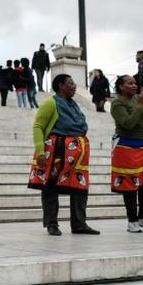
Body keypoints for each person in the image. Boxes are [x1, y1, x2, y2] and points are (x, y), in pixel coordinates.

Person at [28, 74, 99, 236]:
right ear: (61, 85)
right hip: (57, 150)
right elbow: (38, 126)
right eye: (71, 83)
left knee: (80, 186)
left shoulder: (74, 105)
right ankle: (51, 224)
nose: (74, 86)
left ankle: (79, 224)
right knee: (51, 187)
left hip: (77, 152)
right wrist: (40, 151)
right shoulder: (50, 103)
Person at [110, 75, 143, 233]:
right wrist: (140, 104)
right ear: (120, 87)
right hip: (126, 145)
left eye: (135, 82)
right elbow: (128, 124)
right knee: (130, 183)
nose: (134, 85)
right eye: (129, 83)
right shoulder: (117, 103)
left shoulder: (139, 99)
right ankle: (132, 220)